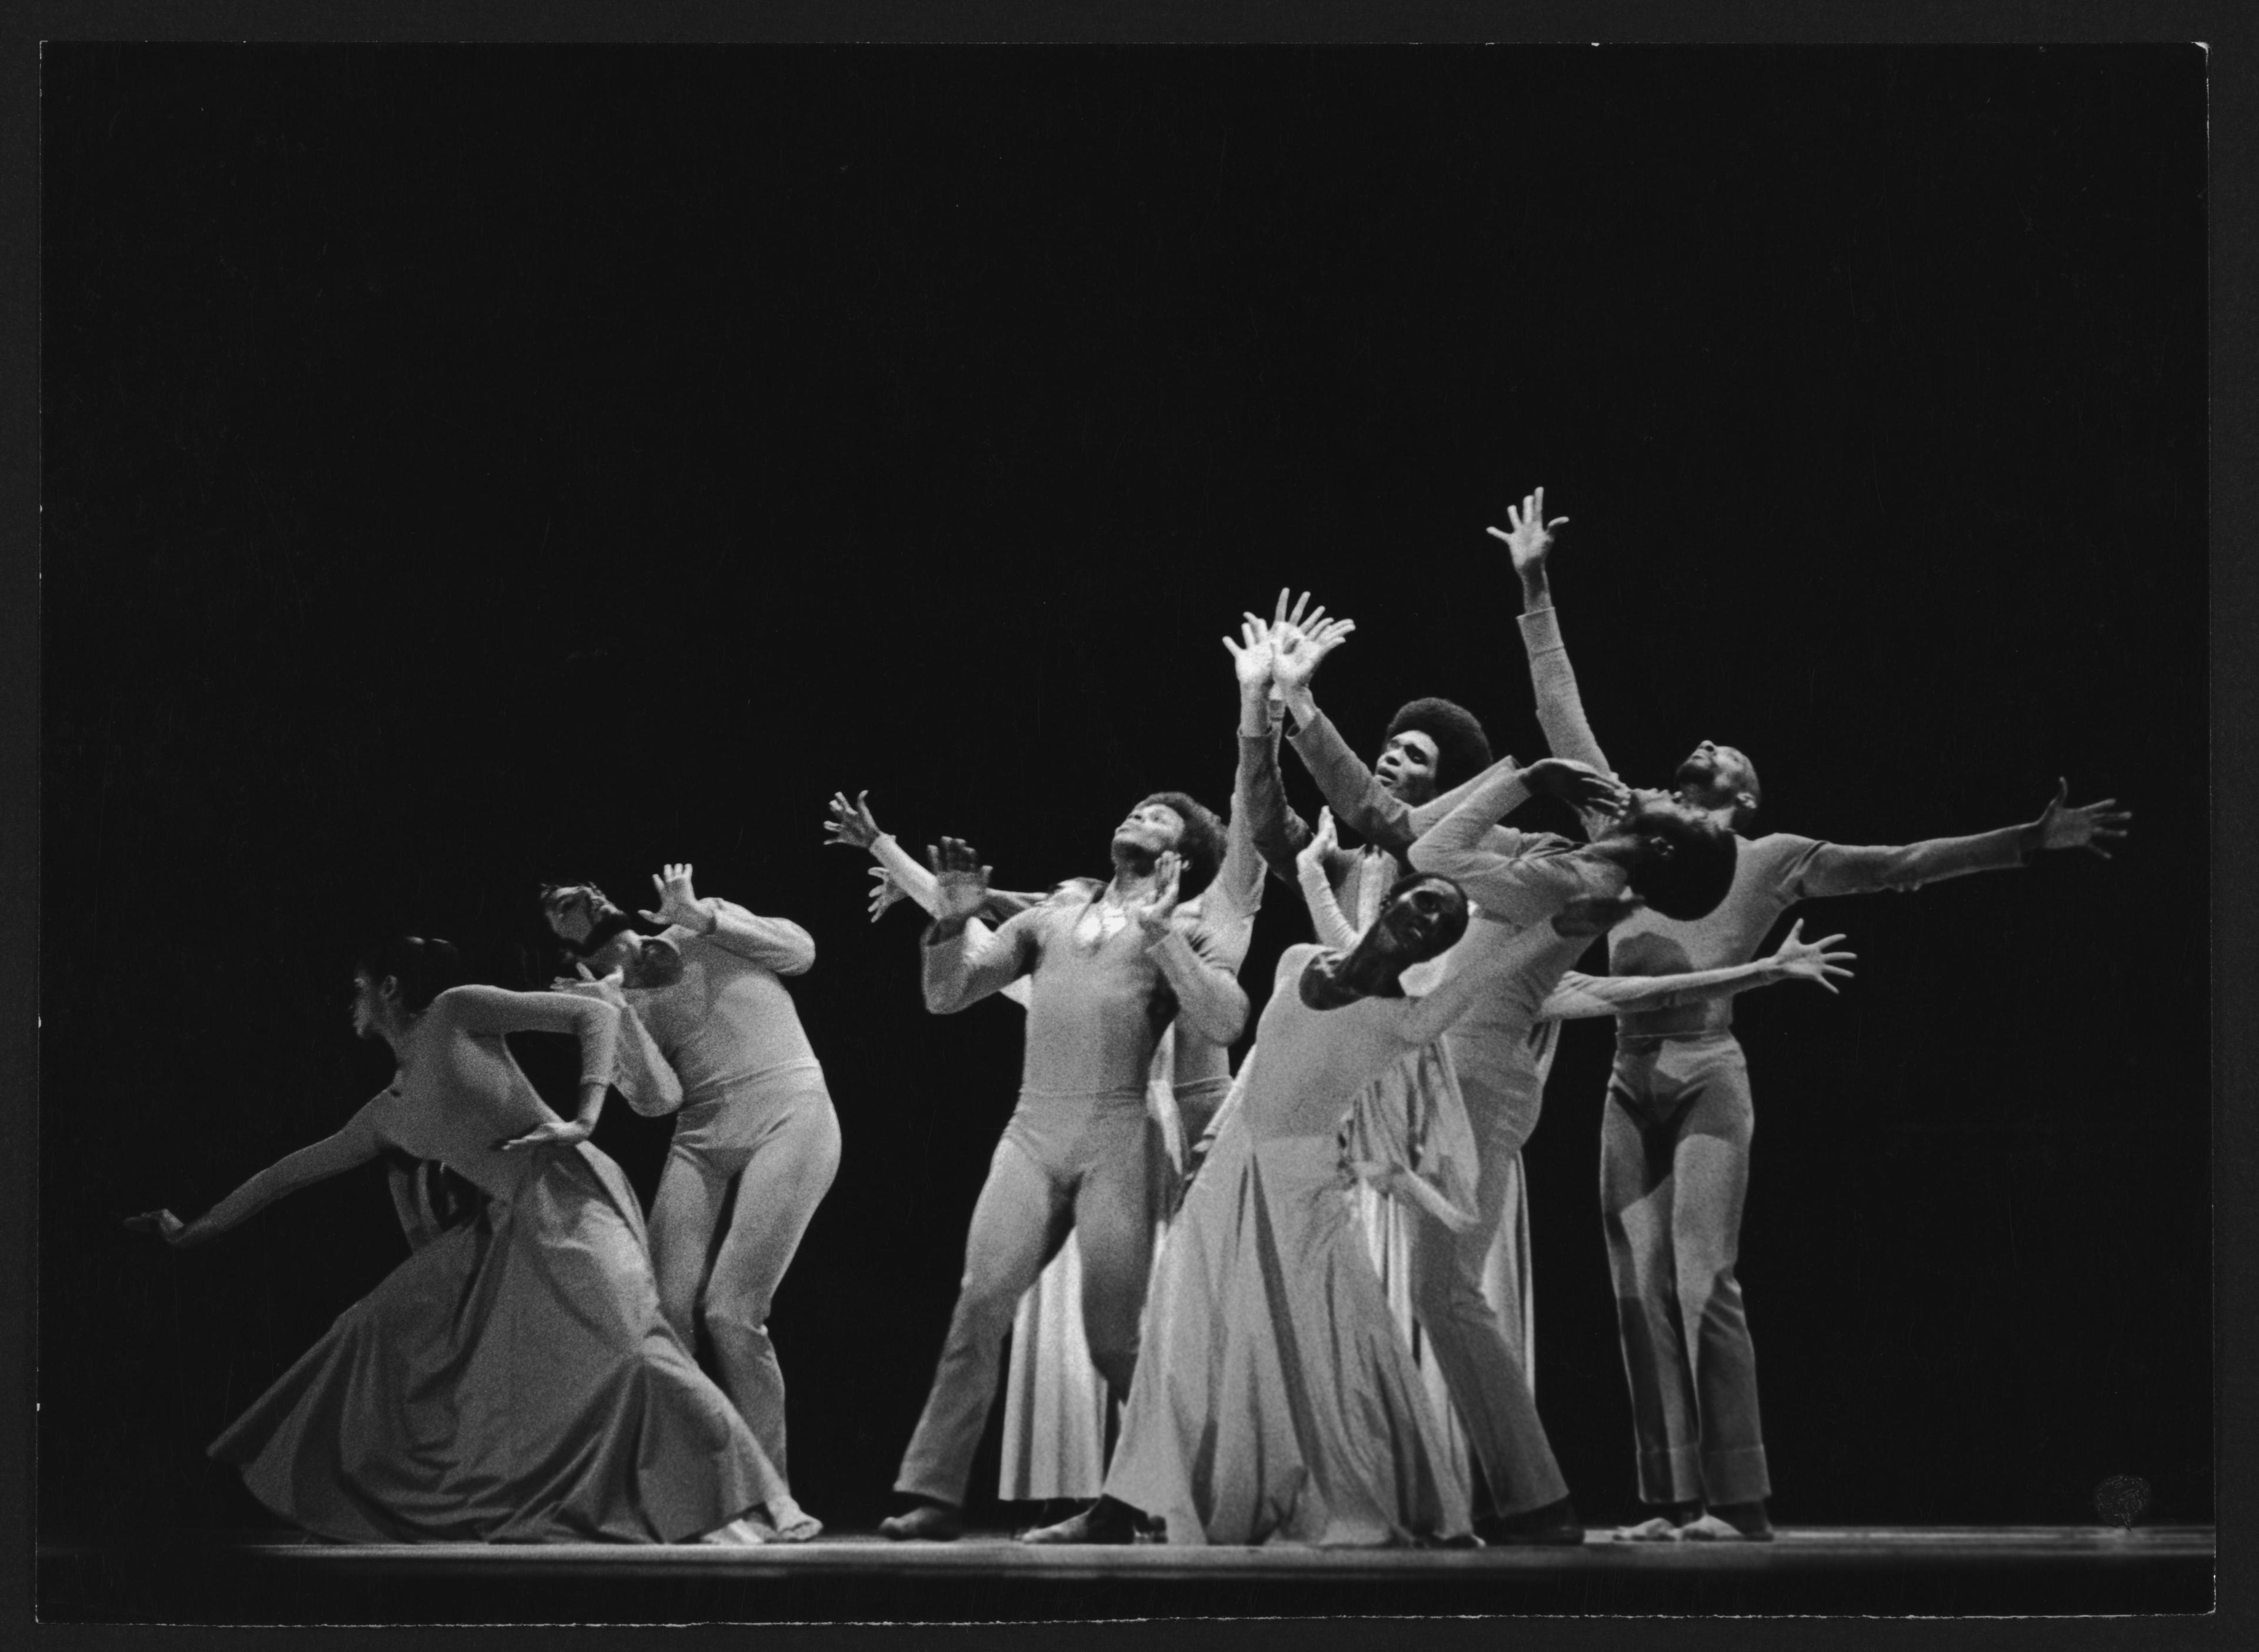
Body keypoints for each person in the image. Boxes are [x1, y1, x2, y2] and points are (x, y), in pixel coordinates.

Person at [1490, 484, 2133, 1541]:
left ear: (1744, 795)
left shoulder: (1771, 857)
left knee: (1703, 1280)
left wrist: (2023, 838)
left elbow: (1899, 864)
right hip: (1624, 1072)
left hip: (1705, 1072)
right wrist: (1534, 584)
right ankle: (1672, 1500)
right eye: (1704, 749)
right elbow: (1562, 714)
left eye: (1729, 757)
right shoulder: (1635, 824)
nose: (1708, 748)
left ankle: (1741, 1502)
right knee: (1634, 1292)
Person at [126, 936, 781, 1545]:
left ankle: (752, 1503)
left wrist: (583, 1118)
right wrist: (194, 1232)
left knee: (636, 1349)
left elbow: (596, 1019)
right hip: (504, 1230)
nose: (350, 1003)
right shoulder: (386, 1112)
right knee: (369, 1325)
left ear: (387, 988)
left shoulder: (453, 1011)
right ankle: (337, 1495)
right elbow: (281, 1177)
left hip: (566, 1193)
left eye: (358, 989)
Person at [828, 767, 1271, 1518]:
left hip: (1118, 1143)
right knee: (978, 1309)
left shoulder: (1188, 929)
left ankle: (1214, 1481)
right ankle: (932, 1494)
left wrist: (1164, 936)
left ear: (1182, 859)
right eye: (1136, 807)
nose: (1139, 814)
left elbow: (1227, 1021)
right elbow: (946, 997)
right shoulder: (1052, 917)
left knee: (1113, 1344)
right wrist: (946, 922)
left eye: (1159, 817)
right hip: (1030, 1135)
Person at [539, 867, 835, 1541]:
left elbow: (802, 952)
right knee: (664, 1321)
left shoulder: (701, 924)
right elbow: (658, 1101)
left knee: (732, 1311)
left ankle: (771, 1497)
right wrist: (615, 1015)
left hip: (792, 1111)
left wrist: (701, 915)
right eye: (563, 909)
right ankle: (703, 1497)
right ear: (567, 944)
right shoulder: (606, 1001)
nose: (582, 901)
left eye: (582, 892)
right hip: (702, 1137)